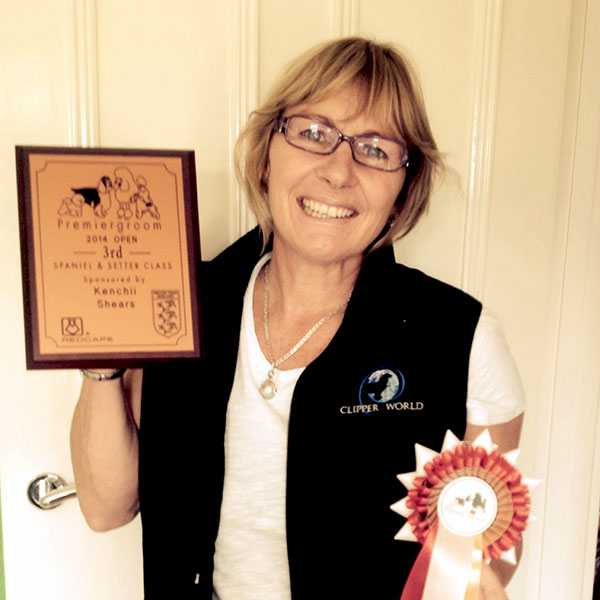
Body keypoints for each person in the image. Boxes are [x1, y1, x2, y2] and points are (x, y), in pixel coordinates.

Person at [70, 37, 525, 599]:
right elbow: (106, 507)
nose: (338, 171)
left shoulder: (461, 336)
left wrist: (475, 573)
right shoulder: (179, 303)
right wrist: (98, 349)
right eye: (313, 133)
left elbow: (483, 561)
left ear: (403, 192)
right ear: (267, 157)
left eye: (376, 149)